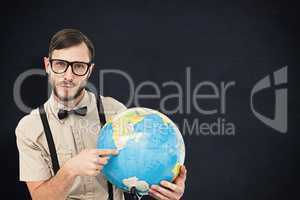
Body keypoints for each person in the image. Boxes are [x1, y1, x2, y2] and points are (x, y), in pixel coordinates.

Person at [15, 28, 187, 200]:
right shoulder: (29, 128)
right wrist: (71, 169)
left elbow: (139, 170)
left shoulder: (117, 113)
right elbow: (40, 197)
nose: (68, 76)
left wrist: (166, 188)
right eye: (60, 64)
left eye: (79, 66)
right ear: (47, 65)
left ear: (89, 70)